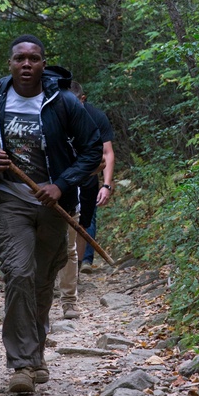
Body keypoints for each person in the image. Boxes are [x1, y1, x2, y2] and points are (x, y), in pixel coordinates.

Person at [0, 35, 102, 395]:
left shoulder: (63, 102)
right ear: (10, 63)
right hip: (9, 200)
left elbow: (92, 148)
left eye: (34, 59)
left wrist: (61, 185)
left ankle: (36, 356)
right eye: (20, 58)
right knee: (19, 273)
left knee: (40, 281)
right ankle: (21, 364)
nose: (26, 65)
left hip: (53, 206)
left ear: (43, 63)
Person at [70, 81, 115, 273]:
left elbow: (107, 153)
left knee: (84, 222)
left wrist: (106, 185)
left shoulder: (96, 117)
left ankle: (81, 265)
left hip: (89, 175)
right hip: (63, 177)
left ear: (83, 99)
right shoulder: (56, 114)